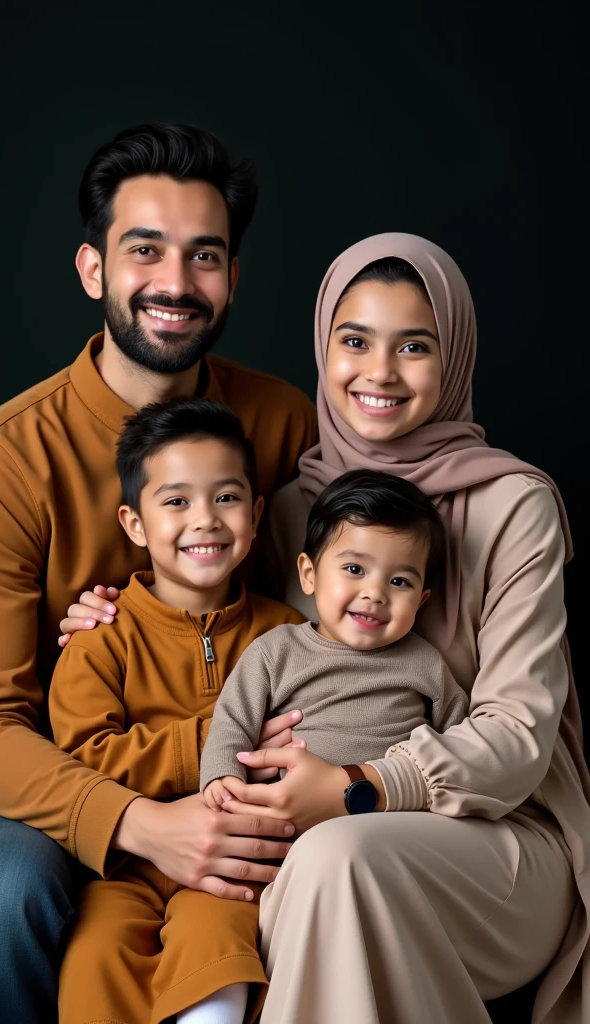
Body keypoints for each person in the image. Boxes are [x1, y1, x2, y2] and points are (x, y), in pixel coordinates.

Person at [0, 123, 316, 1024]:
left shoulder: (280, 421)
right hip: (50, 788)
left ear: (231, 276)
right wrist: (144, 825)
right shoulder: (0, 460)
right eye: (145, 250)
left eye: (205, 256)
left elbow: (332, 612)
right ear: (93, 269)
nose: (176, 284)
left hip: (240, 769)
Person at [219, 235, 589, 1023]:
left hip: (497, 849)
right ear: (325, 348)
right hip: (301, 839)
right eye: (354, 341)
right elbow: (212, 633)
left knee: (334, 858)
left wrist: (362, 787)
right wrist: (105, 613)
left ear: (452, 359)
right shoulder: (292, 508)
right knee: (303, 872)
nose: (379, 373)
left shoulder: (512, 505)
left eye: (414, 346)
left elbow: (519, 737)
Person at [49, 397, 305, 1024]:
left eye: (226, 498)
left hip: (241, 863)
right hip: (125, 865)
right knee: (96, 955)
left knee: (219, 946)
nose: (206, 521)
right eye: (176, 501)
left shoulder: (288, 633)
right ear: (134, 524)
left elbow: (302, 744)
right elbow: (84, 756)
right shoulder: (102, 635)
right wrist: (217, 739)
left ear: (257, 512)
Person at [201, 468, 468, 824]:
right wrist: (223, 775)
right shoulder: (276, 650)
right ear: (309, 575)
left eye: (399, 581)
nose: (375, 594)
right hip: (289, 822)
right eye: (355, 569)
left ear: (421, 602)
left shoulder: (424, 662)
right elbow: (232, 721)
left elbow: (461, 742)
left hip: (395, 820)